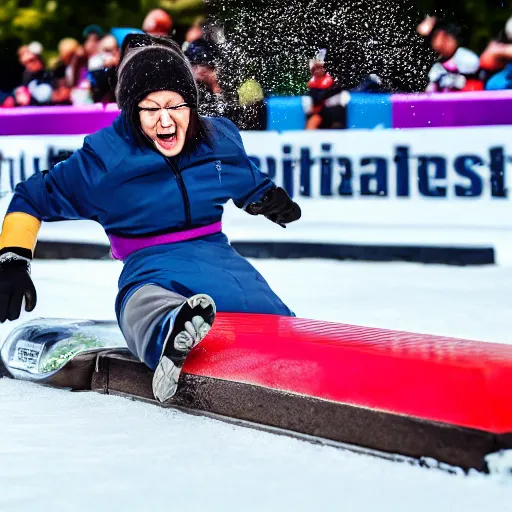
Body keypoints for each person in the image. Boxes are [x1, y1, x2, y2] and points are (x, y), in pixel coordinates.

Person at [0, 34, 300, 403]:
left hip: (217, 256)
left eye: (175, 105)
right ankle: (169, 333)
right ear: (131, 111)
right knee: (140, 303)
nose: (166, 121)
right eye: (150, 108)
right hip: (151, 266)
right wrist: (13, 259)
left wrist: (265, 198)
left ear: (192, 103)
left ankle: (295, 341)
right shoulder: (105, 160)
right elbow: (31, 197)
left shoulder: (217, 138)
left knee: (268, 313)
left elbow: (240, 175)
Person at [417, 16, 482, 93]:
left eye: (431, 38)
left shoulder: (467, 59)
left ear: (442, 35)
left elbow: (474, 91)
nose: (431, 44)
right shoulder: (436, 65)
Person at [305, 49, 335, 129]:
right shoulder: (312, 82)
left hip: (327, 112)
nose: (316, 71)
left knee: (313, 122)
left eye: (319, 68)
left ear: (323, 69)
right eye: (314, 69)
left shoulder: (328, 81)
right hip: (316, 111)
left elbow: (320, 99)